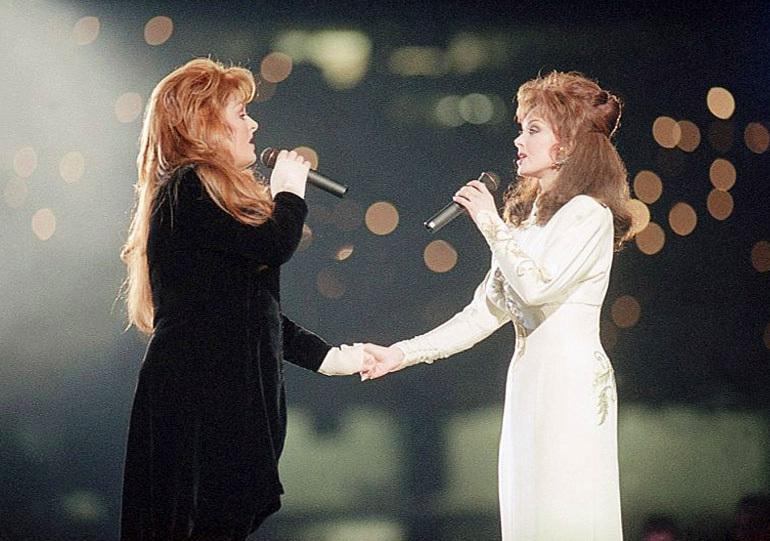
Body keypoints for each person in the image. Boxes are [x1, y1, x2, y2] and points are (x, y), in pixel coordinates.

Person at [363, 71, 634, 540]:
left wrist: (490, 222)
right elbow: (481, 314)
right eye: (521, 127)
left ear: (567, 145)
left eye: (533, 129)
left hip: (568, 387)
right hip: (529, 383)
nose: (518, 139)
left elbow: (534, 289)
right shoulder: (527, 223)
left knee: (565, 513)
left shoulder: (589, 214)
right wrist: (400, 353)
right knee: (527, 513)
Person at [119, 58, 370, 541]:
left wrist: (331, 358)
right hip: (197, 403)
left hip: (218, 400)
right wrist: (290, 196)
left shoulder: (203, 195)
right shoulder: (189, 189)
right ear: (205, 123)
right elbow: (274, 245)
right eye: (240, 112)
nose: (253, 124)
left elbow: (250, 307)